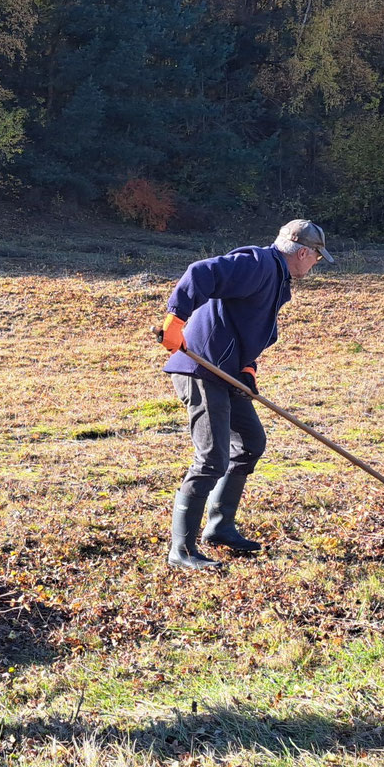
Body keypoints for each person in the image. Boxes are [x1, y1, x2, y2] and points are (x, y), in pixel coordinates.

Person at [158, 219, 333, 569]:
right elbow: (200, 272)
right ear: (302, 252)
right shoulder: (257, 264)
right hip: (202, 369)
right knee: (211, 459)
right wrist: (174, 322)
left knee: (251, 442)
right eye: (316, 257)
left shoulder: (278, 280)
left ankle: (220, 528)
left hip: (228, 373)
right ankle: (182, 551)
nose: (316, 264)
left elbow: (248, 330)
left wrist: (248, 370)